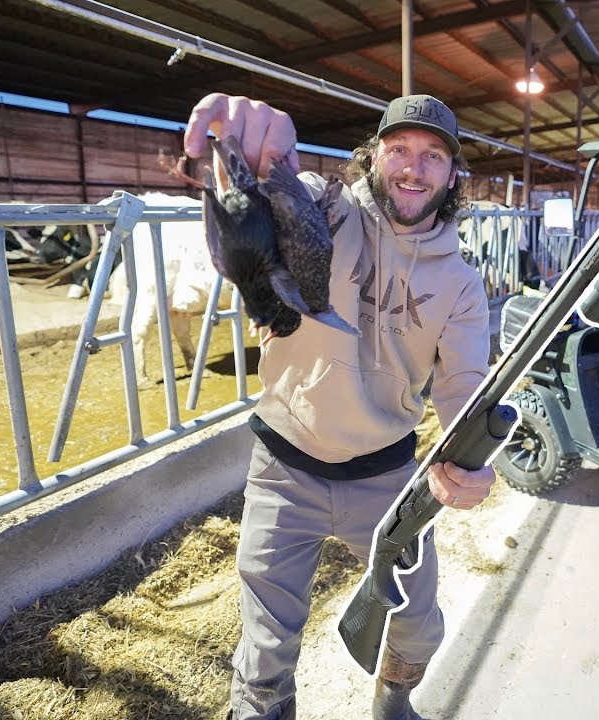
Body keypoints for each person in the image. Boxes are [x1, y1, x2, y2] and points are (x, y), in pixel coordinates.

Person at [184, 92, 496, 720]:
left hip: (386, 477)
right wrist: (260, 160)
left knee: (416, 623)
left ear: (452, 176)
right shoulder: (327, 208)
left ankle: (393, 697)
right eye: (399, 148)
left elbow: (464, 386)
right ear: (373, 156)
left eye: (433, 156)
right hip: (285, 467)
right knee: (266, 646)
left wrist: (471, 463)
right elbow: (275, 200)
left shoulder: (461, 283)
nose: (414, 168)